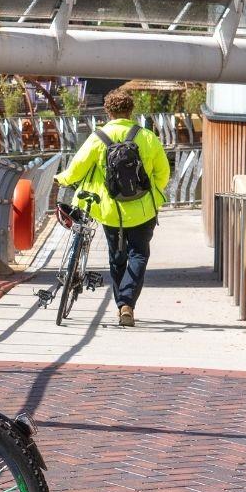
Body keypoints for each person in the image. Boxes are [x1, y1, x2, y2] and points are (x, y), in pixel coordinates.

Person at [54, 89, 170, 327]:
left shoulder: (98, 138)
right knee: (138, 254)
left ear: (108, 112)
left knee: (117, 258)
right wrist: (148, 193)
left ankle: (120, 304)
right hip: (143, 211)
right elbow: (163, 173)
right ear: (131, 110)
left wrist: (61, 179)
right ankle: (127, 303)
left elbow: (77, 169)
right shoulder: (147, 137)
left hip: (109, 211)